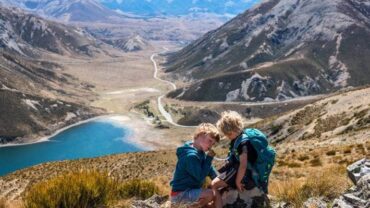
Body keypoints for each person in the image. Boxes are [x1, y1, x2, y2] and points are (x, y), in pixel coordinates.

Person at [211, 111, 275, 196]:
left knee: (214, 185)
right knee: (216, 180)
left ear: (231, 131)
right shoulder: (242, 135)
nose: (227, 137)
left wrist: (237, 182)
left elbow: (243, 165)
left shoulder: (242, 143)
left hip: (246, 173)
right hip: (245, 170)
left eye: (227, 134)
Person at [170, 123, 222, 208]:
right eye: (210, 141)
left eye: (213, 144)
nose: (211, 146)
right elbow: (200, 177)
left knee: (212, 196)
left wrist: (219, 179)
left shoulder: (199, 151)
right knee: (210, 194)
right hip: (180, 194)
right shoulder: (191, 156)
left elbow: (209, 169)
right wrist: (209, 159)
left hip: (189, 191)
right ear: (201, 135)